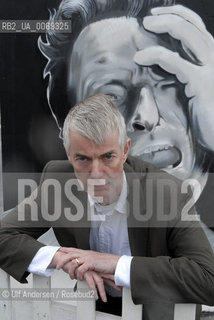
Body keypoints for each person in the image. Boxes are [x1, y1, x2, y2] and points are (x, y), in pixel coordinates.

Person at [0, 94, 214, 320]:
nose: (96, 174)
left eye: (108, 157)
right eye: (82, 159)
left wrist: (115, 264)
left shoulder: (167, 192)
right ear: (69, 155)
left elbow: (208, 279)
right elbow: (3, 235)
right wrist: (63, 257)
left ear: (125, 151)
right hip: (91, 310)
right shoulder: (58, 182)